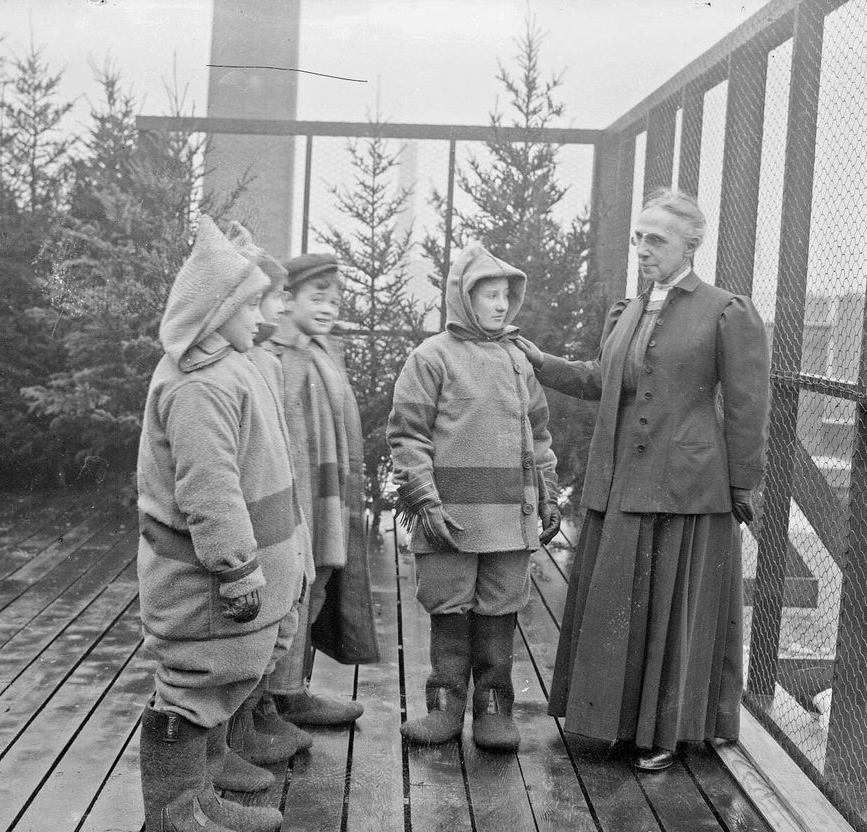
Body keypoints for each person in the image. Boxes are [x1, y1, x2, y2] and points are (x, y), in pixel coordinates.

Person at [517, 188, 771, 772]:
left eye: (655, 239)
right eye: (638, 237)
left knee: (670, 609)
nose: (642, 249)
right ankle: (618, 724)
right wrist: (539, 360)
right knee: (621, 604)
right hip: (624, 482)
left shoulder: (727, 310)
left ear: (691, 244)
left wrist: (741, 486)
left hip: (688, 487)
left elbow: (748, 407)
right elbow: (601, 379)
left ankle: (669, 732)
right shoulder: (629, 310)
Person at [135, 215, 306, 832]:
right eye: (253, 301)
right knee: (191, 688)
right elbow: (210, 492)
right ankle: (174, 816)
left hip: (234, 577)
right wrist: (237, 570)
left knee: (217, 683)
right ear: (221, 305)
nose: (264, 315)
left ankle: (197, 798)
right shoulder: (197, 386)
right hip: (204, 581)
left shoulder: (234, 366)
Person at [387, 244, 560, 750]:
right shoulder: (430, 357)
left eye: (506, 295)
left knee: (500, 609)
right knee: (450, 606)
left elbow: (541, 434)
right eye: (489, 295)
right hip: (450, 519)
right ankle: (443, 710)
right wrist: (424, 501)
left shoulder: (518, 359)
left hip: (510, 516)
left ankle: (492, 712)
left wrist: (546, 496)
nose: (501, 305)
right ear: (465, 298)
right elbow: (408, 436)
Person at [262, 252, 381, 728]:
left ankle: (291, 692)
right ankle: (264, 704)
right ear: (286, 300)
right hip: (290, 497)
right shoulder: (272, 355)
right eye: (318, 297)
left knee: (318, 583)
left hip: (327, 494)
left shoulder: (324, 350)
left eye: (336, 299)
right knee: (286, 589)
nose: (330, 307)